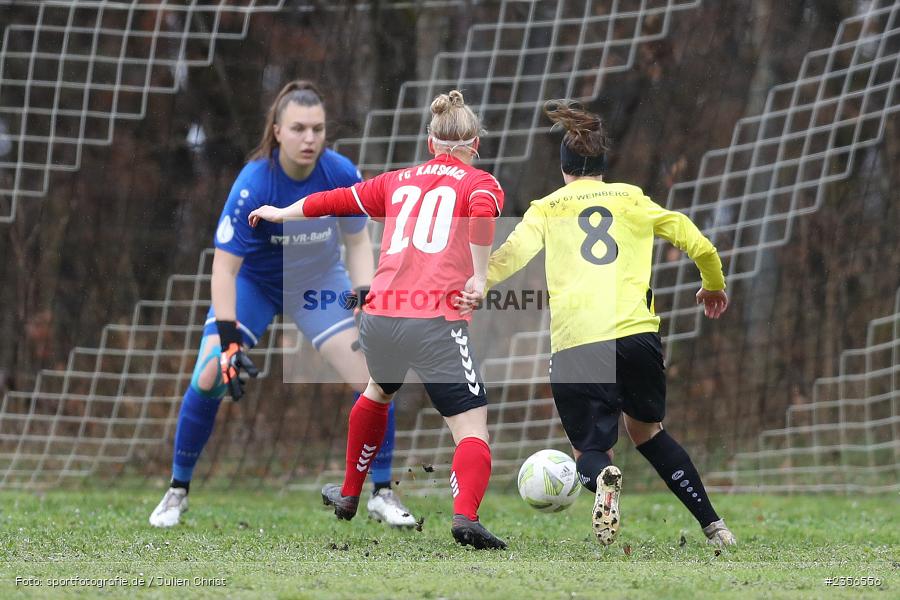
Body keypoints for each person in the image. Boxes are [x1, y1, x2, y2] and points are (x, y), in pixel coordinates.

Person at [149, 80, 416, 528]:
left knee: (375, 377)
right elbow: (225, 270)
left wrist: (363, 296)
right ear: (277, 131)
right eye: (298, 128)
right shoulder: (254, 183)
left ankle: (382, 492)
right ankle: (177, 491)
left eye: (317, 128)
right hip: (256, 284)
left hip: (318, 282)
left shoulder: (340, 172)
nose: (309, 138)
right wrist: (229, 340)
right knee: (211, 369)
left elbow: (356, 242)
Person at [249, 90, 507, 550]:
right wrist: (481, 277)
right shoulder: (479, 183)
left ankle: (349, 493)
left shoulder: (396, 180)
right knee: (471, 426)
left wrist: (281, 212)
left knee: (377, 391)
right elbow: (484, 214)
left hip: (382, 316)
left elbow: (333, 200)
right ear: (475, 146)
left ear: (431, 143)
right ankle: (465, 517)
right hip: (435, 321)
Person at [475, 99, 735, 547]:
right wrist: (712, 285)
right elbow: (701, 246)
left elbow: (510, 256)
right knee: (648, 432)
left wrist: (473, 283)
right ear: (601, 165)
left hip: (578, 343)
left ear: (564, 168)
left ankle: (604, 481)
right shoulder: (632, 199)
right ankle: (714, 526)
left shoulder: (547, 207)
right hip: (637, 336)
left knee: (590, 453)